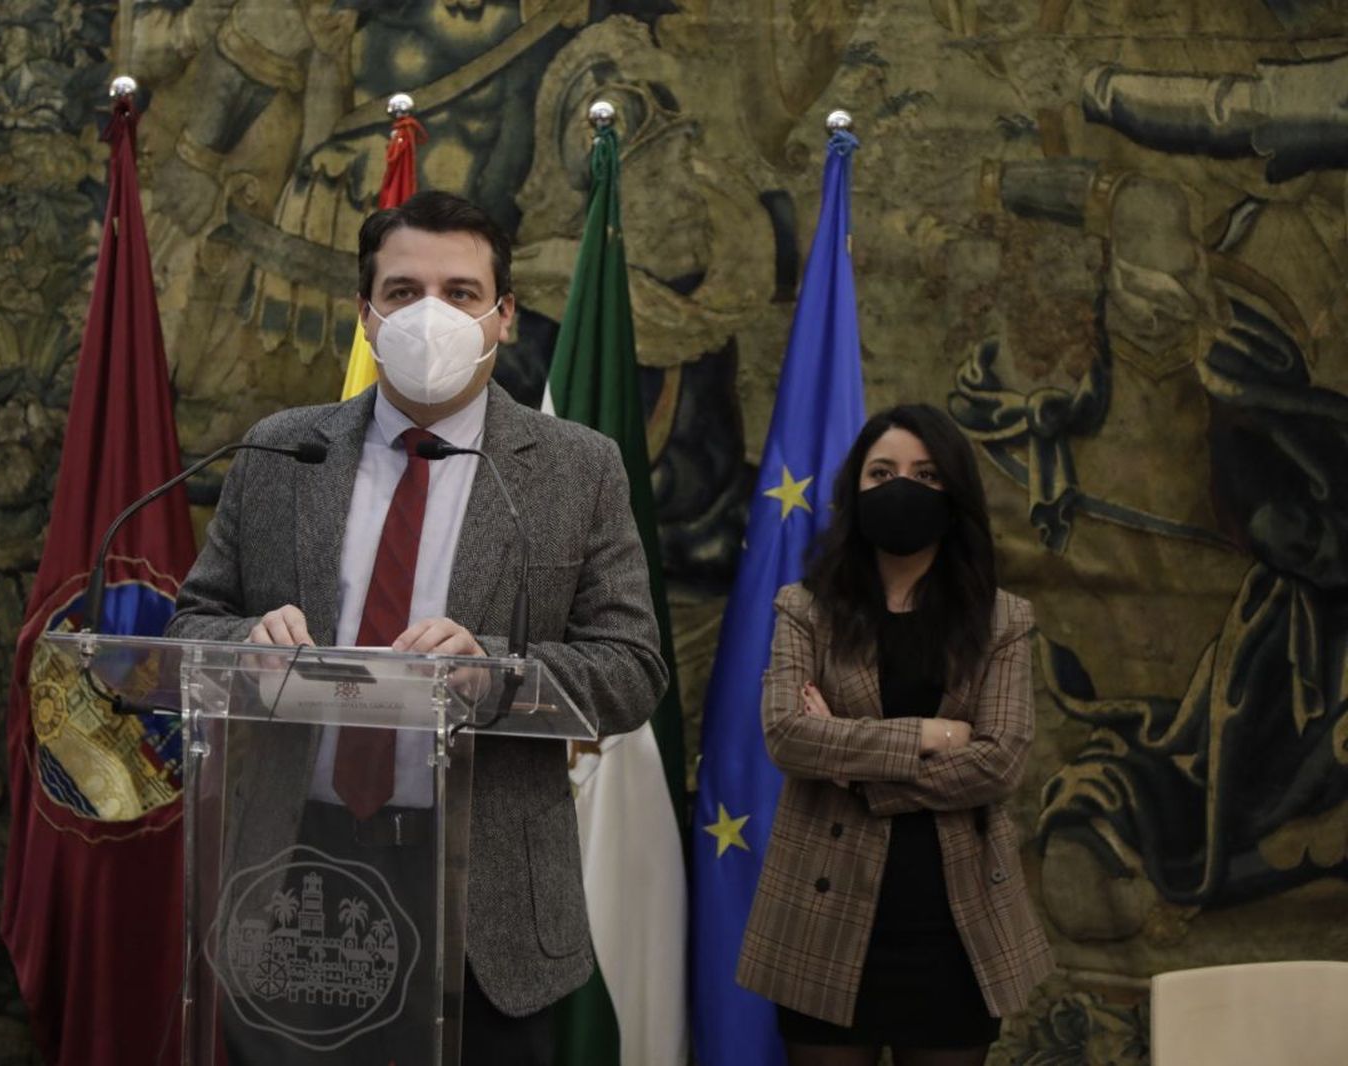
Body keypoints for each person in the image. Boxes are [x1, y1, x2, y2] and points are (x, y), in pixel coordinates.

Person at [165, 190, 667, 1065]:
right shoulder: (283, 450)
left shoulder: (575, 469)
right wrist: (242, 644)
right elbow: (191, 623)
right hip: (296, 872)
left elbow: (630, 671)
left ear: (504, 317)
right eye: (402, 293)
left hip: (487, 895)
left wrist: (495, 673)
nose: (429, 314)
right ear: (365, 315)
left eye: (461, 293)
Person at [736, 404, 1053, 1066]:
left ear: (954, 494)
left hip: (953, 924)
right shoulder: (806, 608)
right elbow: (788, 735)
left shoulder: (1003, 620)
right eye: (882, 472)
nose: (900, 488)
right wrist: (932, 734)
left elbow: (1000, 763)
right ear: (855, 489)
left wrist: (851, 768)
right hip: (821, 916)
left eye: (925, 474)